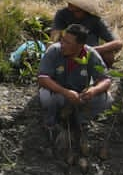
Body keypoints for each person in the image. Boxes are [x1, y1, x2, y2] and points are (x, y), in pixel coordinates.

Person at [36, 23, 114, 163]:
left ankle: (80, 121)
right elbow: (42, 79)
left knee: (107, 100)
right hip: (59, 94)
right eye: (62, 40)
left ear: (80, 46)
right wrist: (65, 92)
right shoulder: (54, 51)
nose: (62, 44)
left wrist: (93, 90)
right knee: (47, 97)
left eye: (67, 42)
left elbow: (106, 80)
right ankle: (54, 123)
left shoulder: (90, 54)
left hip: (80, 97)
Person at [50, 0, 123, 68]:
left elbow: (118, 43)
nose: (73, 13)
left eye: (77, 11)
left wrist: (93, 50)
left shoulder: (94, 20)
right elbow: (54, 36)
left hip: (88, 56)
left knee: (108, 55)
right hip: (67, 52)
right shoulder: (62, 14)